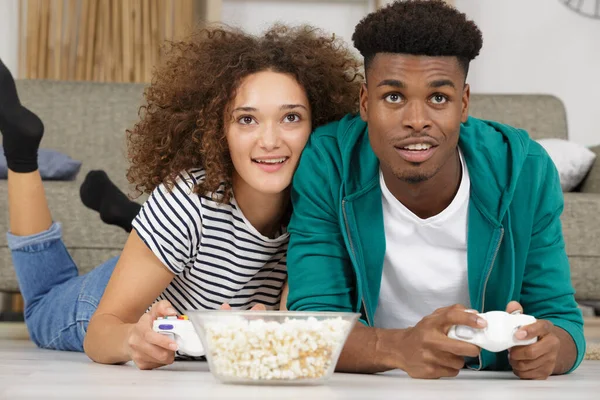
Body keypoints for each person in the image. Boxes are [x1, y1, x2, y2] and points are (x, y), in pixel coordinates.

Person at [0, 24, 361, 370]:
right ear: (218, 130)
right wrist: (133, 340)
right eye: (247, 120)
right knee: (41, 306)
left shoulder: (322, 209)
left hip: (173, 270)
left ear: (318, 124)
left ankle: (137, 220)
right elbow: (100, 331)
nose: (269, 141)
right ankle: (20, 153)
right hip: (110, 300)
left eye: (291, 118)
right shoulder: (188, 199)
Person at [285, 0, 585, 380]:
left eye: (438, 98)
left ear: (463, 104)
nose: (416, 121)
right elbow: (312, 325)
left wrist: (549, 351)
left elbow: (563, 322)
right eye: (393, 97)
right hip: (365, 386)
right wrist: (398, 347)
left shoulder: (525, 169)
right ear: (364, 102)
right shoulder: (329, 163)